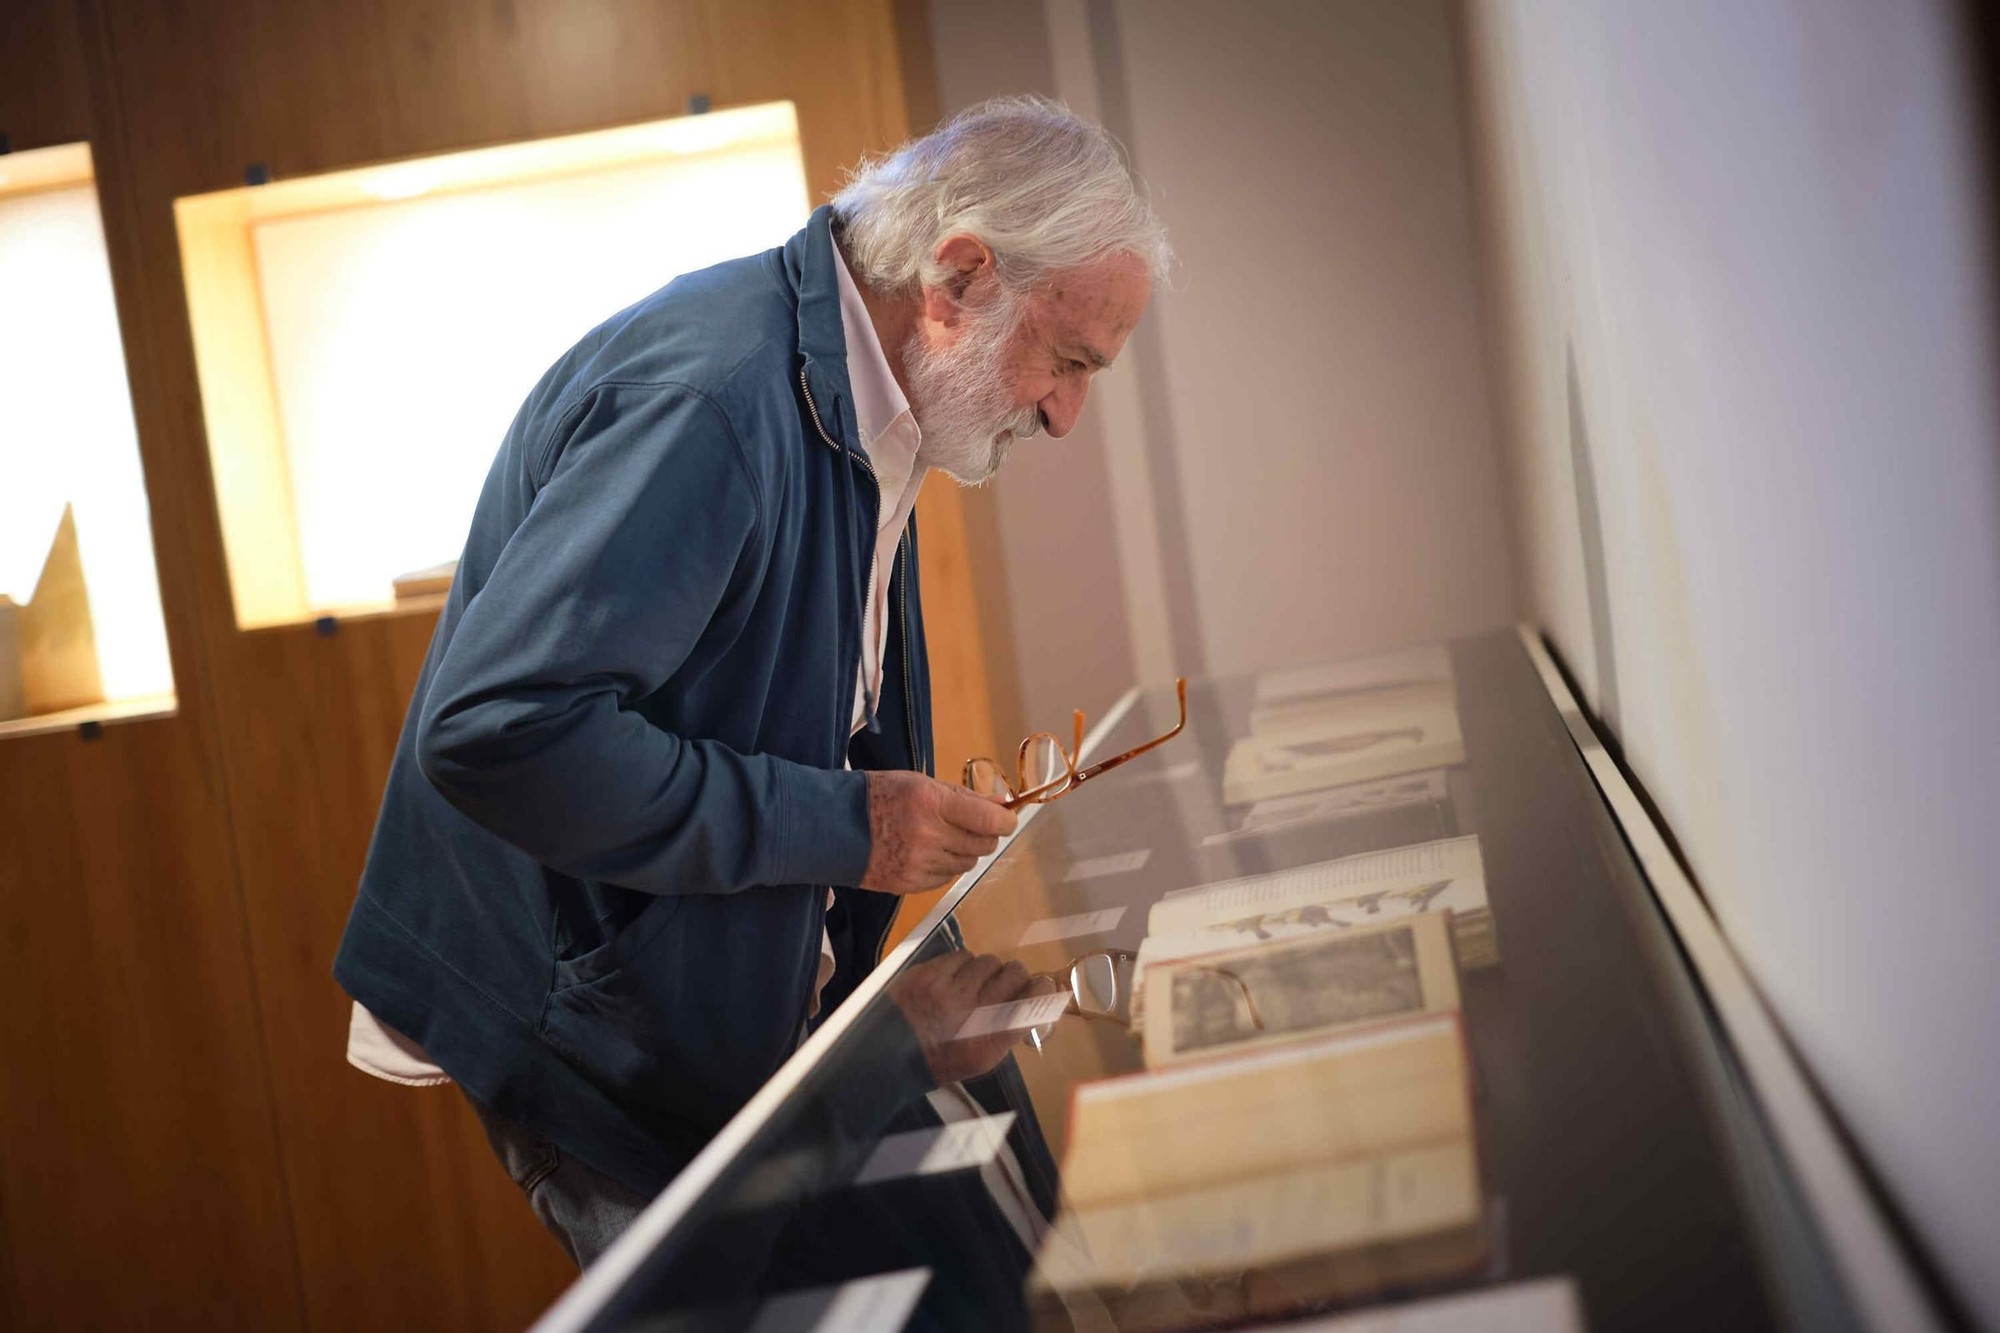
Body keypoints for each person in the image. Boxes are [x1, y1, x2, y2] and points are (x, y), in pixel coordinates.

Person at [332, 93, 1169, 1268]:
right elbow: (500, 729)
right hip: (586, 1023)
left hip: (700, 993)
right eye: (1066, 359)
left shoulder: (875, 387)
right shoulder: (713, 400)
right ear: (961, 277)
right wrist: (852, 826)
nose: (1066, 413)